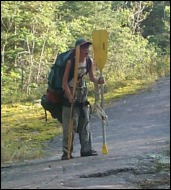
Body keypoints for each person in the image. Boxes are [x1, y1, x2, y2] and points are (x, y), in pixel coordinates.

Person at [61, 38, 104, 160]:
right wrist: (69, 96)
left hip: (82, 95)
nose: (87, 50)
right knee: (70, 125)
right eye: (84, 48)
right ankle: (67, 152)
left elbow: (92, 78)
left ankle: (86, 150)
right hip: (69, 96)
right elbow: (64, 82)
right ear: (77, 50)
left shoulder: (89, 62)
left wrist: (99, 81)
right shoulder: (70, 63)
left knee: (85, 123)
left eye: (87, 48)